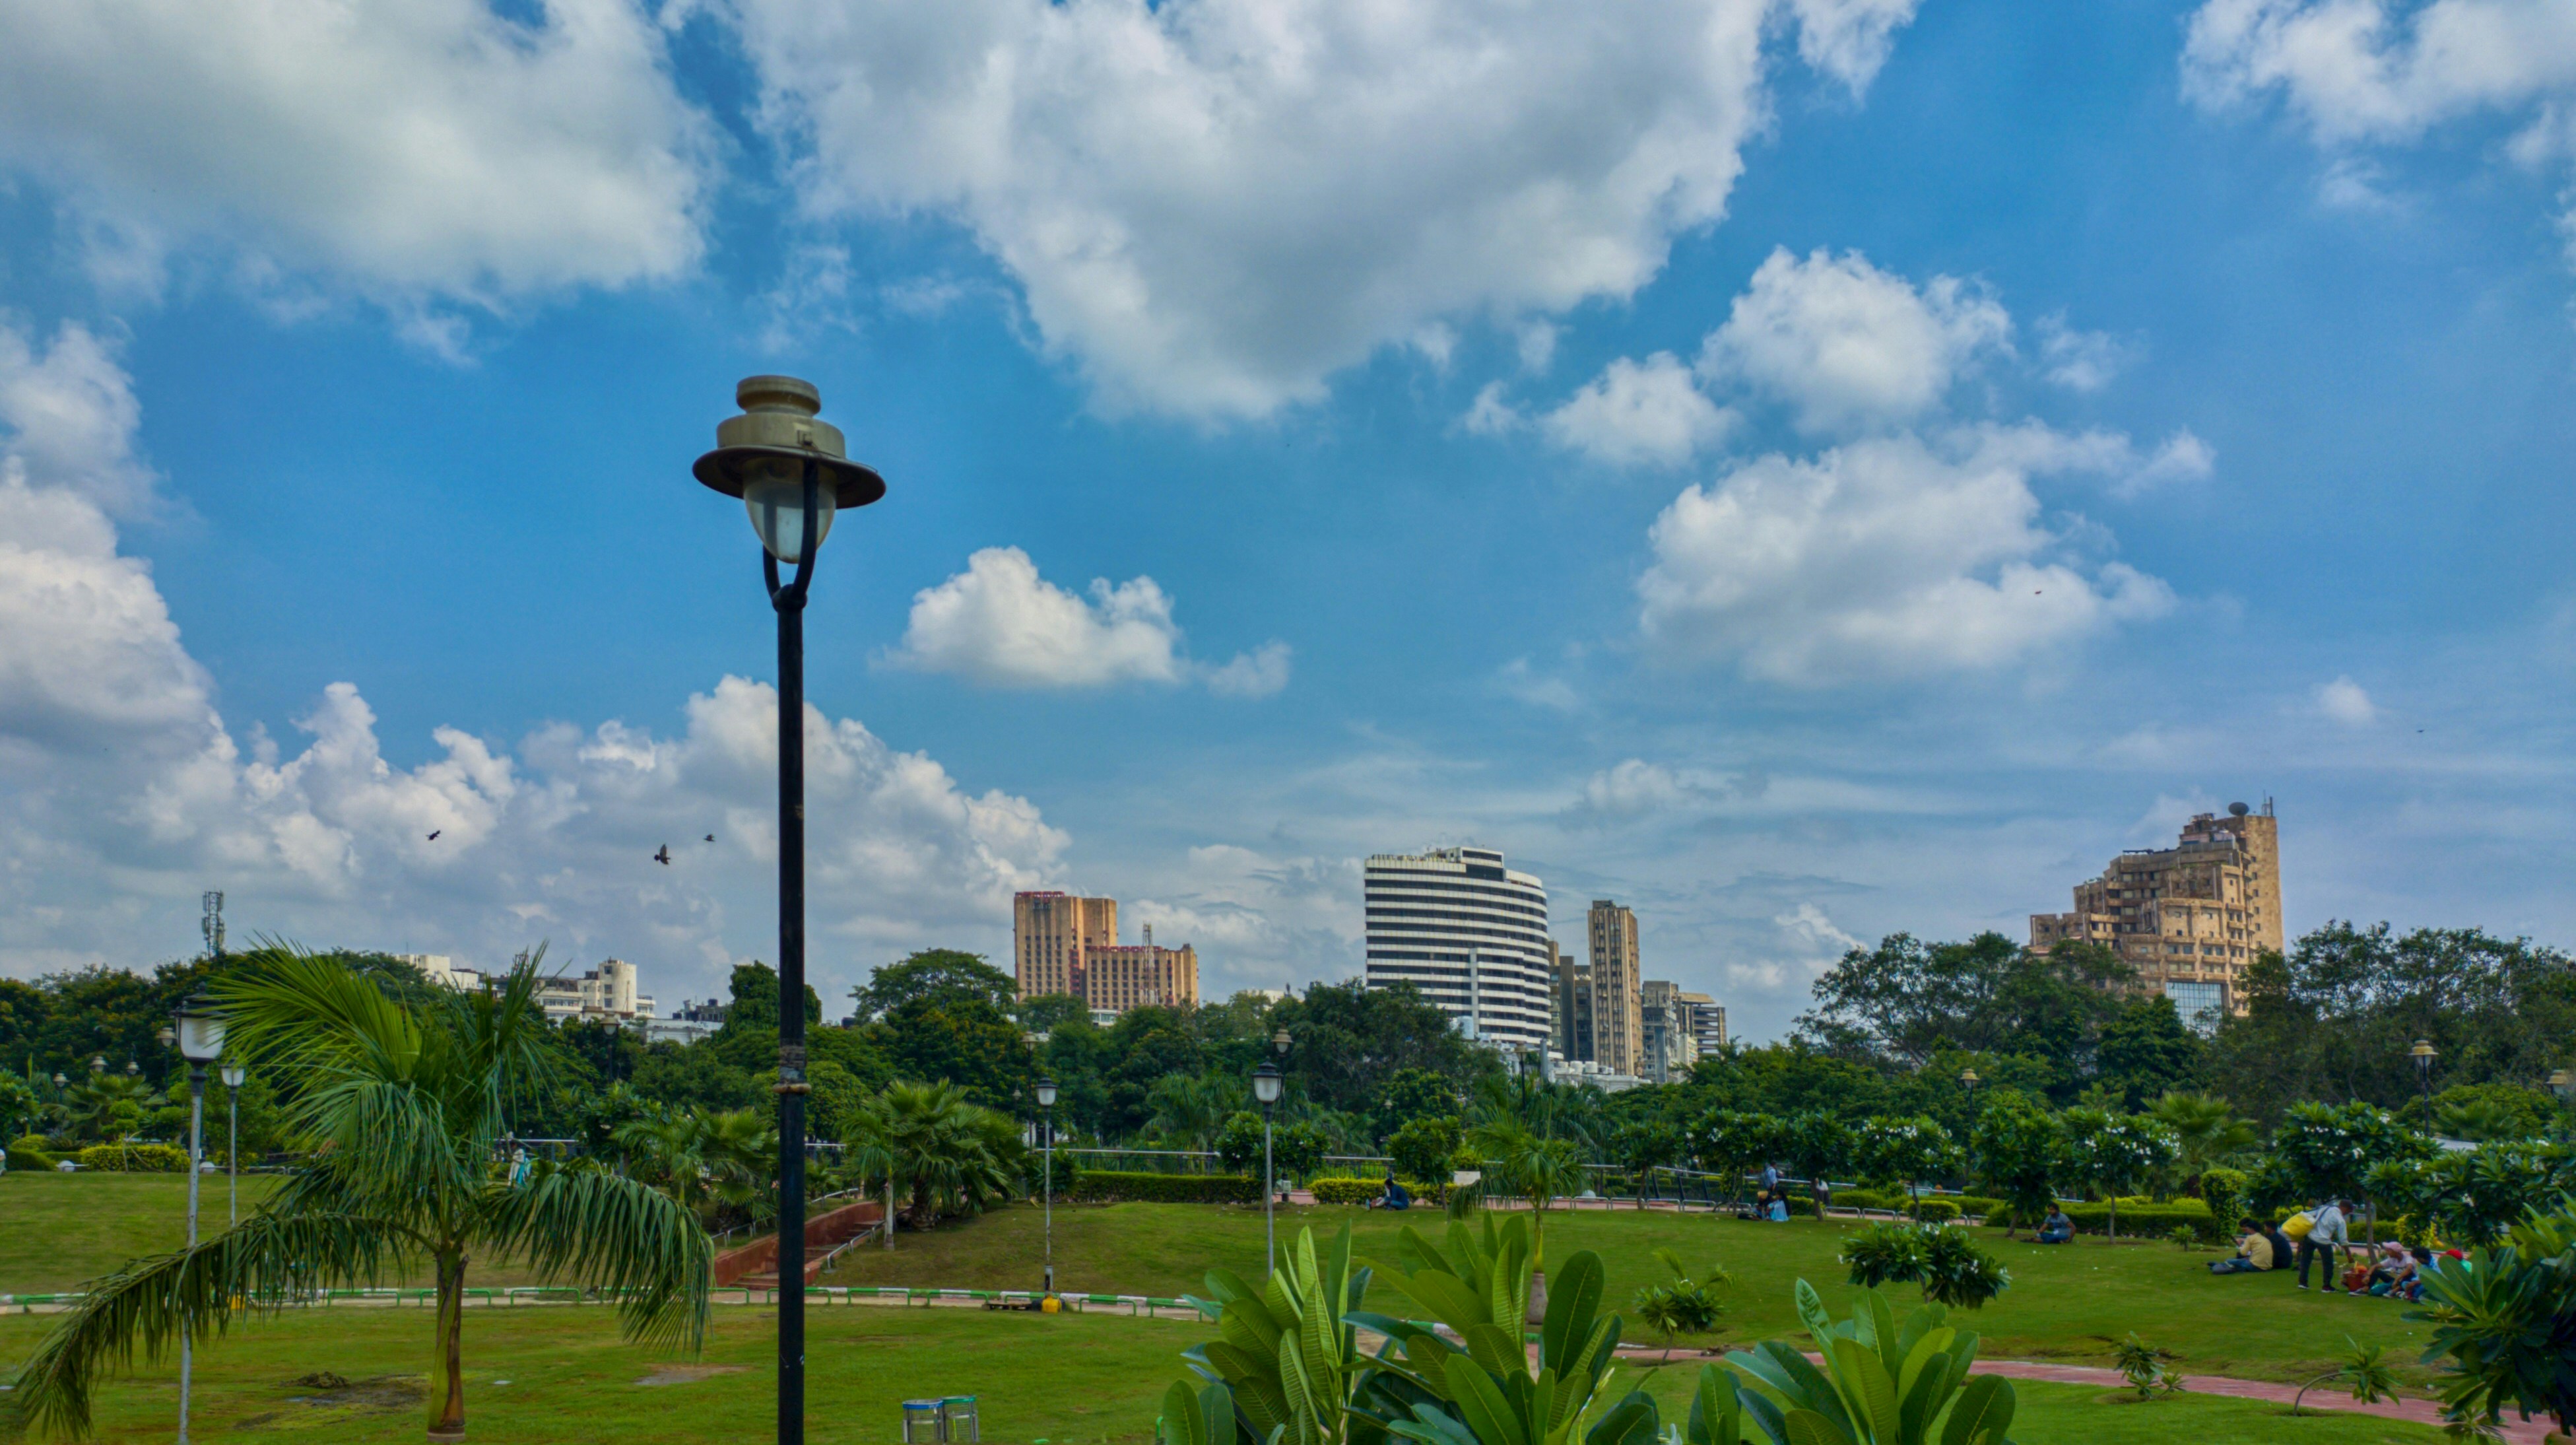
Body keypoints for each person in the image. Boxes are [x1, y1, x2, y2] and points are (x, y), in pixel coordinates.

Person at [2296, 1197, 2350, 1291]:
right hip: (2323, 1241)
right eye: (2348, 1212)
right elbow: (2343, 1240)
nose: (2347, 1214)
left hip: (2310, 1236)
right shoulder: (2340, 1219)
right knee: (2328, 1264)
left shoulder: (2325, 1208)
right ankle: (2326, 1286)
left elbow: (2309, 1215)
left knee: (2305, 1260)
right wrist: (2349, 1255)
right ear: (2345, 1208)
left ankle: (2303, 1283)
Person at [2210, 1226, 2276, 1274]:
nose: (2246, 1232)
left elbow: (2243, 1253)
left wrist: (2241, 1246)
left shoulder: (2250, 1237)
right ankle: (2219, 1265)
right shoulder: (2265, 1239)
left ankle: (2217, 1265)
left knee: (2229, 1260)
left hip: (2256, 1266)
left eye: (2247, 1229)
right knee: (2240, 1262)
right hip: (2267, 1266)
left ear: (2251, 1229)